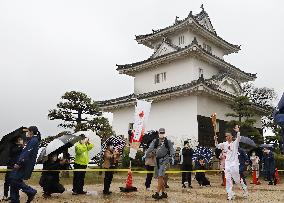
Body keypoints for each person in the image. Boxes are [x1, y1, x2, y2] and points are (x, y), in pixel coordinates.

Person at [214, 125, 248, 200]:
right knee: (228, 180)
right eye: (226, 136)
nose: (228, 137)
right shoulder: (224, 144)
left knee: (237, 180)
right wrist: (215, 140)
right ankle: (230, 194)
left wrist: (238, 132)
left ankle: (245, 190)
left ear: (232, 136)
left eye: (229, 136)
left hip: (234, 164)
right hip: (227, 165)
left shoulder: (235, 143)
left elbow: (238, 138)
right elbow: (217, 146)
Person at [9, 126, 41, 203]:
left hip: (24, 164)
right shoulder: (30, 140)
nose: (27, 133)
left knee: (14, 179)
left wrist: (19, 163)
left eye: (28, 131)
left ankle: (31, 191)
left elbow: (26, 153)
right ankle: (15, 200)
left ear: (31, 132)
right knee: (14, 179)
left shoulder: (33, 140)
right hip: (23, 163)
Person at [146, 128, 175, 200]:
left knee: (160, 176)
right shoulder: (155, 141)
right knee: (159, 177)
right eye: (160, 133)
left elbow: (172, 151)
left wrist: (172, 157)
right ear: (158, 133)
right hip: (157, 160)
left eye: (162, 133)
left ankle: (157, 193)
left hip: (165, 160)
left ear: (164, 133)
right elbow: (150, 148)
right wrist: (145, 155)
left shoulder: (168, 142)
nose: (161, 134)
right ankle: (164, 193)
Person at [2, 136, 24, 201]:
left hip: (17, 167)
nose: (21, 140)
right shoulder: (12, 146)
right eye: (20, 139)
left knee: (15, 182)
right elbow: (14, 151)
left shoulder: (21, 148)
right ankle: (5, 195)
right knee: (7, 182)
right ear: (16, 140)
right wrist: (21, 146)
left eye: (21, 139)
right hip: (10, 166)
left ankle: (14, 196)